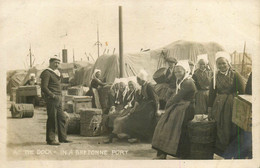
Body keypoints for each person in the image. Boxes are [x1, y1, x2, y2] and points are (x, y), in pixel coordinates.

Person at [152, 60, 196, 159]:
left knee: (171, 126)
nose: (177, 74)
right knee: (166, 124)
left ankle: (170, 153)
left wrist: (167, 106)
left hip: (187, 109)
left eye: (180, 72)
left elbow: (177, 97)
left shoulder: (188, 82)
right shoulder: (182, 81)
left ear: (185, 71)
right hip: (180, 106)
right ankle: (163, 152)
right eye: (176, 72)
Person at [208, 51, 245, 157]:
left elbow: (242, 91)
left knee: (231, 126)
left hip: (232, 104)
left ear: (228, 63)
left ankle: (232, 149)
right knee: (220, 125)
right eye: (219, 64)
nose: (222, 66)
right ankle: (221, 149)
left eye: (224, 63)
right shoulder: (214, 77)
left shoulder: (235, 74)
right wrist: (210, 109)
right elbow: (211, 94)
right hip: (219, 105)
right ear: (216, 65)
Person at [40, 55, 71, 145]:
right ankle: (50, 139)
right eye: (55, 63)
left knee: (62, 118)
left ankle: (63, 138)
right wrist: (52, 95)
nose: (57, 64)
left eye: (58, 63)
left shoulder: (57, 72)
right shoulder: (46, 73)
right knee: (52, 119)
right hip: (52, 99)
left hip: (58, 98)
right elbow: (44, 87)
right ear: (50, 63)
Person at [103, 79, 138, 143]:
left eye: (132, 85)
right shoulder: (129, 92)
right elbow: (126, 103)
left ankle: (113, 136)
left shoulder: (136, 93)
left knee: (118, 120)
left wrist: (124, 109)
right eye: (129, 85)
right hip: (127, 109)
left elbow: (134, 103)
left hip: (132, 110)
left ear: (135, 85)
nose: (130, 87)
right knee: (115, 118)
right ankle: (114, 134)